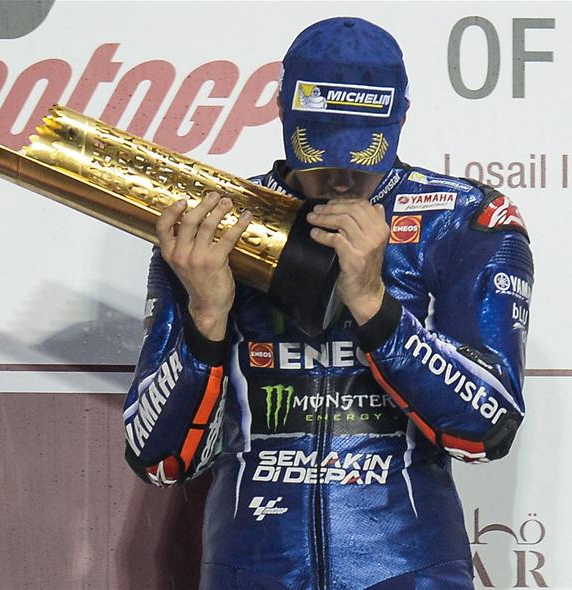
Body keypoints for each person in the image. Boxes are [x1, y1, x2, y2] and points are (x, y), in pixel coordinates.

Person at [123, 16, 533, 590]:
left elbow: (489, 427)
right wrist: (206, 318)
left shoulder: (463, 220)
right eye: (319, 151)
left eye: (362, 153)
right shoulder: (212, 227)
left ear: (401, 118)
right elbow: (158, 457)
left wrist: (374, 305)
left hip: (408, 573)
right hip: (251, 572)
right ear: (282, 113)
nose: (340, 179)